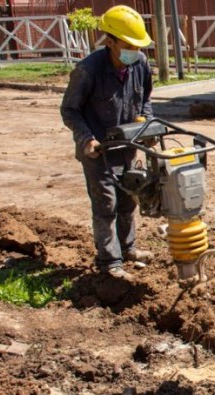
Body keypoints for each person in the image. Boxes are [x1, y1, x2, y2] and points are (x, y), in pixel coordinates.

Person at [61, 5, 154, 280]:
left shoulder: (140, 64)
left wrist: (147, 125)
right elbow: (69, 110)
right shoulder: (87, 71)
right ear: (109, 42)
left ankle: (128, 249)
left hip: (128, 145)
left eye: (137, 45)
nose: (134, 51)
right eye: (127, 45)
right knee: (106, 203)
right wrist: (86, 138)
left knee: (129, 200)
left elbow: (146, 99)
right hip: (98, 151)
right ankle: (109, 261)